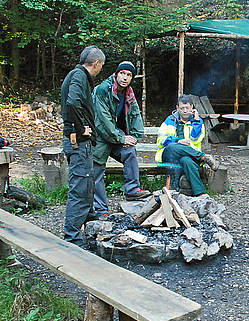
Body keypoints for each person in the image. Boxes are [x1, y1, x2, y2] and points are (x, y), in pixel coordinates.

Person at [60, 45, 105, 246]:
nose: (100, 69)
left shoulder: (77, 75)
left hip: (83, 144)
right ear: (96, 63)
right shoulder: (79, 76)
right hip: (78, 143)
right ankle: (72, 238)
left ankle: (90, 226)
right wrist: (80, 129)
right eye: (101, 65)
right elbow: (72, 103)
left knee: (87, 185)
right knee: (80, 188)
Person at [92, 61, 148, 217]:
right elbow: (102, 122)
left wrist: (135, 136)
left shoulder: (129, 92)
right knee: (97, 170)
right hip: (99, 134)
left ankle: (132, 190)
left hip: (115, 135)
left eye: (129, 75)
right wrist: (121, 138)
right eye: (122, 73)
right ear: (116, 74)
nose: (125, 77)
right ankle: (101, 210)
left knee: (129, 151)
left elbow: (135, 115)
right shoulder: (103, 90)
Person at [156, 95, 219, 196]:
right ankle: (203, 157)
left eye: (187, 108)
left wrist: (197, 121)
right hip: (169, 155)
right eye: (182, 108)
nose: (185, 111)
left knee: (186, 161)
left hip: (188, 155)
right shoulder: (170, 120)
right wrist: (177, 141)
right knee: (172, 146)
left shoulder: (197, 121)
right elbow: (161, 140)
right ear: (177, 108)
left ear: (192, 107)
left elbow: (196, 139)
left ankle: (200, 193)